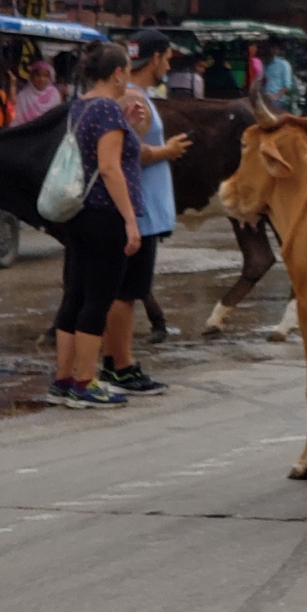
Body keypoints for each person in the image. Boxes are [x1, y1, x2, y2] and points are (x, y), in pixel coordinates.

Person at [47, 43, 143, 410]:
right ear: (118, 73)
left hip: (79, 214)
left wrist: (126, 125)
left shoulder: (82, 106)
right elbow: (108, 167)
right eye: (128, 68)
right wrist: (131, 220)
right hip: (106, 214)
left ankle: (63, 377)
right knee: (97, 299)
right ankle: (86, 382)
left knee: (75, 295)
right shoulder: (106, 109)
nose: (130, 75)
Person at [100, 31, 193, 392]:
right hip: (141, 212)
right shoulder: (135, 99)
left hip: (141, 210)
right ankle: (120, 365)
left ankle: (114, 361)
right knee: (127, 292)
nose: (168, 66)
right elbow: (130, 152)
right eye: (167, 59)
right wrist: (166, 151)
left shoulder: (133, 96)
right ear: (154, 58)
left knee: (124, 291)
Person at [13, 57, 61, 124]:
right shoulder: (23, 96)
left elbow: (55, 118)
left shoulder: (54, 94)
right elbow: (17, 119)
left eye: (45, 76)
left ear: (50, 78)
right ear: (31, 77)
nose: (41, 79)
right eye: (37, 75)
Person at [262, 38, 296, 110]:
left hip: (277, 101)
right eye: (270, 48)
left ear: (277, 50)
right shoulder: (262, 64)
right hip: (263, 98)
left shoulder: (283, 64)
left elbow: (287, 85)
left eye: (275, 48)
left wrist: (275, 97)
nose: (272, 50)